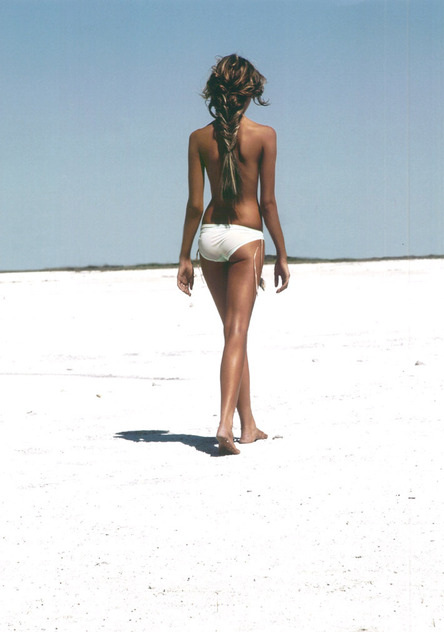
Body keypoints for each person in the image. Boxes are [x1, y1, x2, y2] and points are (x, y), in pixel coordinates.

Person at [177, 54, 290, 455]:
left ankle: (249, 425)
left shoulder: (198, 138)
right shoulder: (265, 136)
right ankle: (225, 424)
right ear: (251, 93)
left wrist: (184, 256)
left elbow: (195, 204)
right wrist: (281, 253)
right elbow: (268, 203)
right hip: (246, 239)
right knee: (237, 332)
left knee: (231, 334)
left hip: (209, 238)